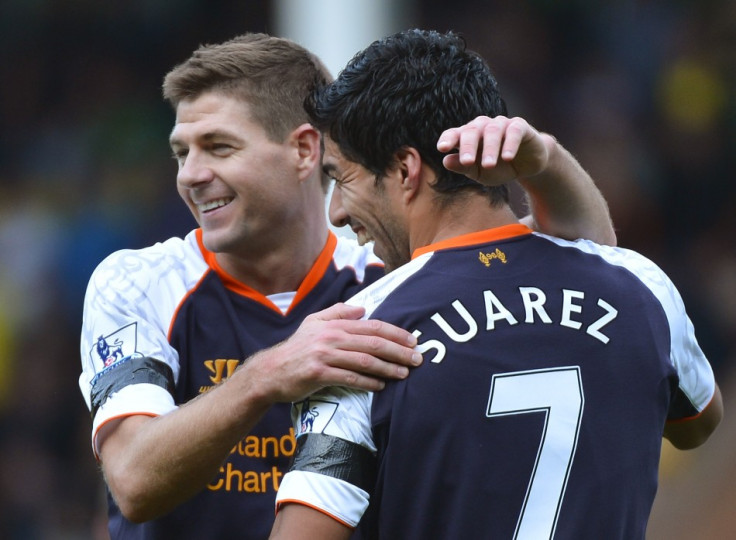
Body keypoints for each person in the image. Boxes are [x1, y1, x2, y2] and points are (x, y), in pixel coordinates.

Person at [78, 33, 616, 539]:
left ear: (305, 151)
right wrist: (268, 373)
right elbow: (133, 481)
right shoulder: (136, 282)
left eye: (218, 147)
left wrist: (544, 160)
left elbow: (594, 271)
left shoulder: (386, 272)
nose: (190, 175)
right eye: (182, 152)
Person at [270, 29, 723, 540]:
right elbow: (700, 422)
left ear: (404, 170)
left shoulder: (362, 339)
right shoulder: (641, 288)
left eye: (342, 178)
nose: (336, 210)